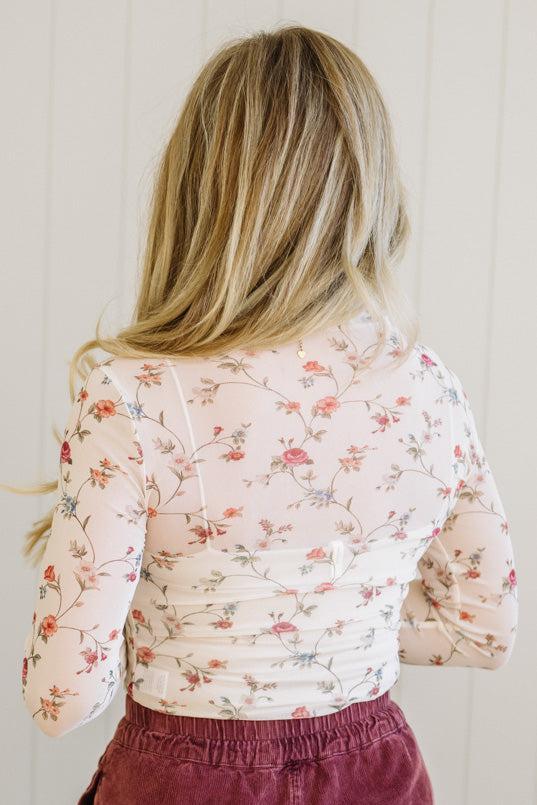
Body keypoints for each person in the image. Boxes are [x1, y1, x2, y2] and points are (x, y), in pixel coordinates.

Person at [10, 24, 517, 805]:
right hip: (376, 772)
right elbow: (483, 629)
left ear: (196, 192)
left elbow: (59, 699)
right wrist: (330, 627)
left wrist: (206, 632)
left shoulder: (135, 393)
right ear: (370, 193)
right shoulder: (427, 389)